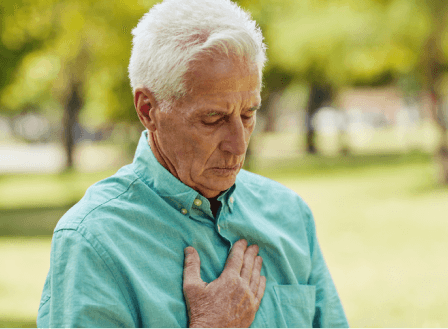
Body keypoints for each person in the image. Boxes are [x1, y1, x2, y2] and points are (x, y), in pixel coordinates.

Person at [37, 0, 348, 327]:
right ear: (148, 110)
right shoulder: (92, 239)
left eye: (248, 114)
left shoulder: (289, 213)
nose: (239, 145)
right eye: (213, 118)